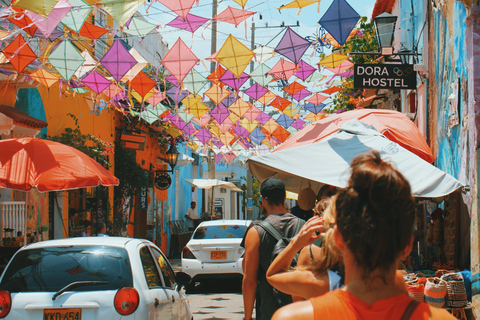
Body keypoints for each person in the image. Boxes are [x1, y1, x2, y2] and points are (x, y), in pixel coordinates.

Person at [272, 151, 455, 320]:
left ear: (338, 239)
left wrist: (296, 242)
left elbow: (273, 275)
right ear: (407, 246)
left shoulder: (292, 317)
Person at [242, 177, 304, 320]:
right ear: (285, 198)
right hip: (298, 308)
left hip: (268, 309)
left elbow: (249, 280)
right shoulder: (304, 227)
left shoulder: (256, 232)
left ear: (263, 200)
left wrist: (247, 317)